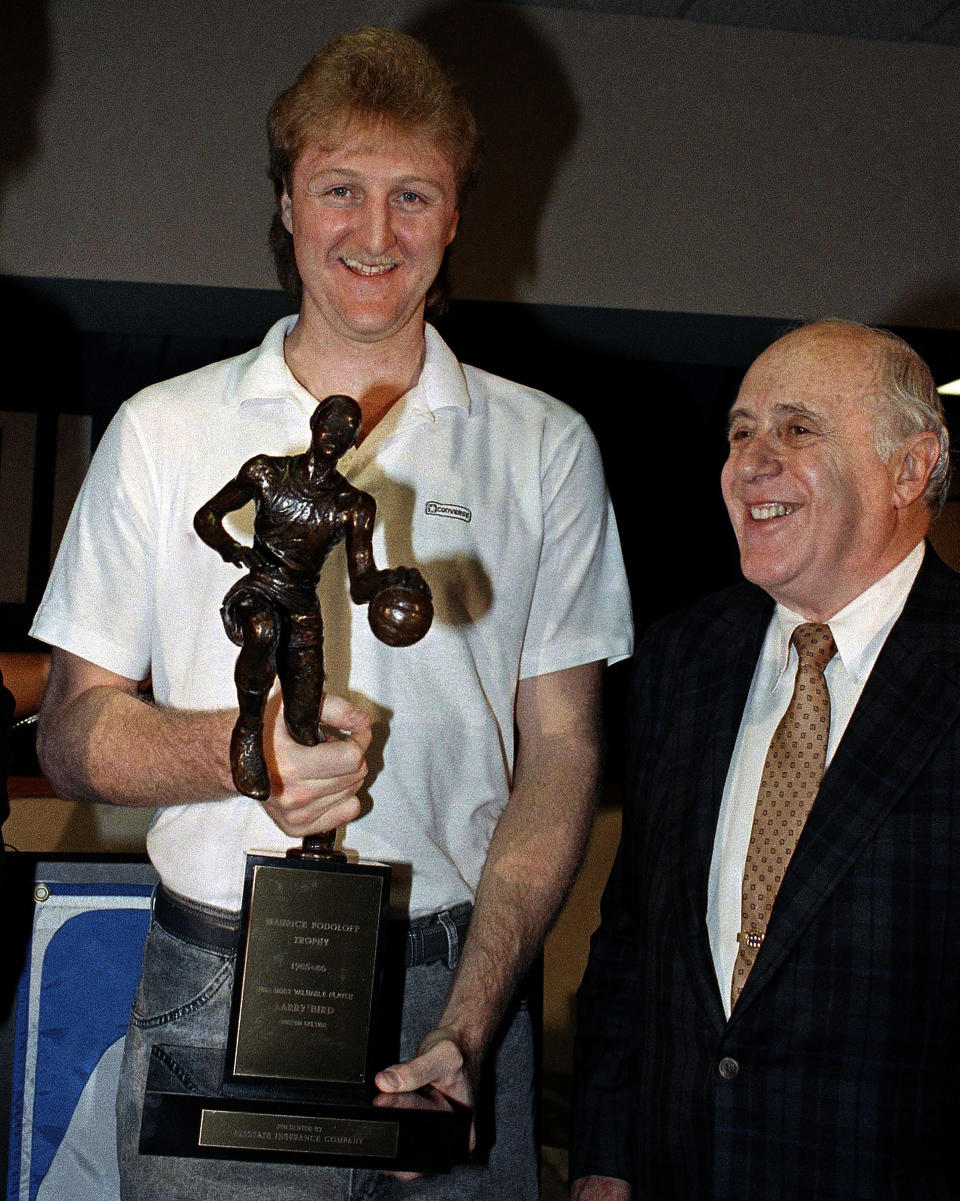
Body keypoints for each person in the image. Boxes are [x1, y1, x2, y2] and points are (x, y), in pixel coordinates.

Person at [32, 26, 633, 1201]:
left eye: (414, 194)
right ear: (288, 205)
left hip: (459, 983)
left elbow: (561, 752)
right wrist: (242, 753)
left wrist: (471, 1019)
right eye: (340, 190)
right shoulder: (163, 430)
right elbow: (70, 733)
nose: (375, 233)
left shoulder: (545, 447)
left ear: (456, 216)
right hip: (225, 970)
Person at [570, 318, 958, 1201]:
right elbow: (633, 938)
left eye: (797, 428)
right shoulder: (680, 659)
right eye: (740, 431)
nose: (750, 462)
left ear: (911, 466)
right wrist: (605, 1156)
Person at [193, 394, 429, 800]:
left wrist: (397, 579)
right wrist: (231, 549)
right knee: (263, 630)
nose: (335, 435)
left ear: (355, 440)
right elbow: (207, 517)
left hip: (303, 608)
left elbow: (360, 585)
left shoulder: (353, 506)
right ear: (314, 421)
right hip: (259, 589)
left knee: (304, 723)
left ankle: (318, 819)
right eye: (331, 423)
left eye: (347, 430)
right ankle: (248, 731)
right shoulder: (266, 472)